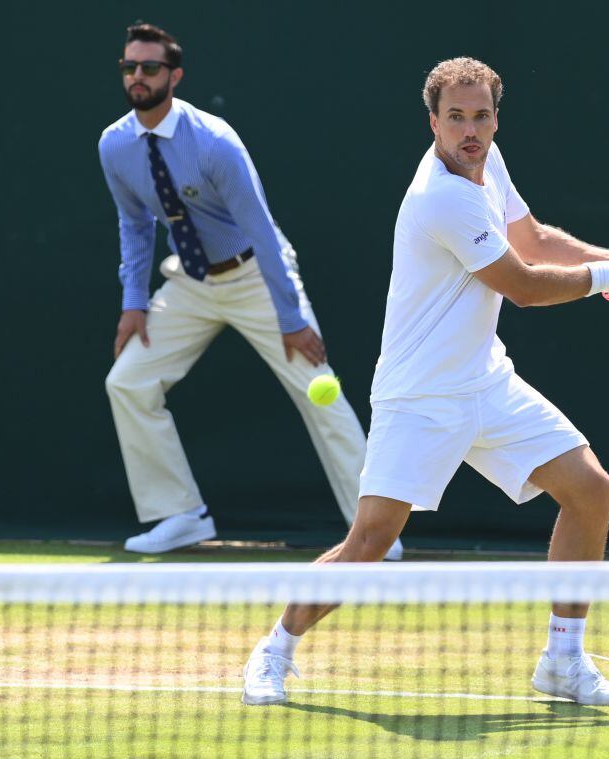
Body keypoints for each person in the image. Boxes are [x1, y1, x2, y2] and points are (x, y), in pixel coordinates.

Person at [240, 56, 609, 707]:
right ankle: (274, 647)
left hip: (486, 381)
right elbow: (524, 285)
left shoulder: (487, 163)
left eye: (480, 116)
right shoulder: (440, 196)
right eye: (455, 118)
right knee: (370, 542)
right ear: (433, 122)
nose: (469, 130)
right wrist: (608, 281)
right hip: (419, 396)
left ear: (496, 119)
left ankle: (562, 658)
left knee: (589, 488)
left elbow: (535, 237)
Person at [98, 23, 402, 560]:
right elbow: (136, 226)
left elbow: (261, 231)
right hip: (189, 282)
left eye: (149, 68)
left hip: (255, 275)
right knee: (127, 382)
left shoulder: (214, 141)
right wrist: (133, 302)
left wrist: (291, 315)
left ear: (175, 76)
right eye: (130, 67)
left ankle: (373, 535)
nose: (138, 77)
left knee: (318, 388)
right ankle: (179, 514)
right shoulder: (115, 144)